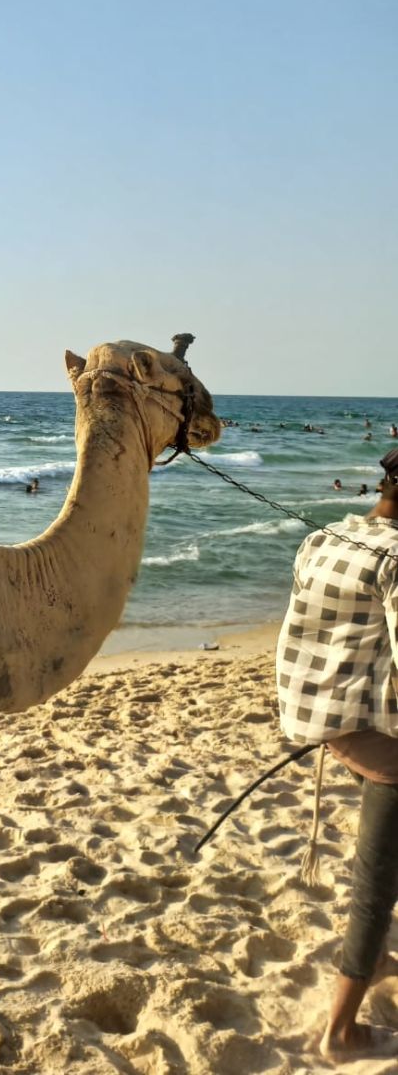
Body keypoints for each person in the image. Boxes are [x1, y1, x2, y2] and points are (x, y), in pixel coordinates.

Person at [276, 447, 398, 1059]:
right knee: (376, 885)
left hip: (317, 717)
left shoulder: (328, 533)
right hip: (368, 733)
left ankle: (374, 957)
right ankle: (341, 1032)